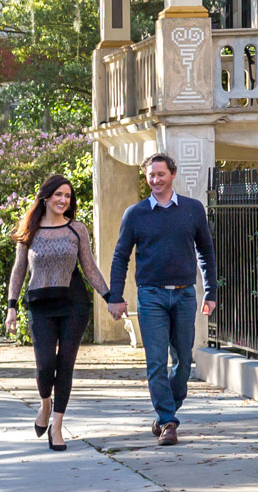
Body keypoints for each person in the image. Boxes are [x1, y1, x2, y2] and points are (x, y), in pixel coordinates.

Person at [106, 153, 216, 446]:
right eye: (150, 175)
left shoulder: (192, 210)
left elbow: (206, 252)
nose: (155, 180)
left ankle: (167, 410)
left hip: (184, 294)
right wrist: (115, 296)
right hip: (151, 295)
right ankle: (168, 421)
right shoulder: (136, 214)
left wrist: (211, 291)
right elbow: (120, 257)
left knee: (183, 361)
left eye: (160, 174)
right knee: (156, 362)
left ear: (173, 175)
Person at [5, 174, 110, 452]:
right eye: (58, 195)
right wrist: (12, 306)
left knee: (65, 364)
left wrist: (109, 296)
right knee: (44, 366)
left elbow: (89, 268)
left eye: (67, 196)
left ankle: (58, 426)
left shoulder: (77, 229)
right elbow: (18, 271)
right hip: (40, 304)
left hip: (73, 303)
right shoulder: (30, 230)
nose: (63, 200)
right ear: (46, 197)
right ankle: (45, 405)